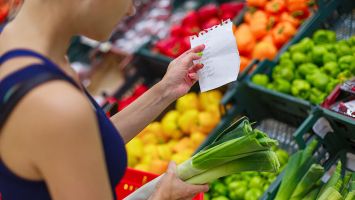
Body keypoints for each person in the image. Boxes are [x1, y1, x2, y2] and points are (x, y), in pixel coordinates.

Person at [0, 0, 209, 199]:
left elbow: (85, 143)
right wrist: (163, 197)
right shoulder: (56, 104)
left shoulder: (25, 51)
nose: (130, 11)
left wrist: (166, 90)